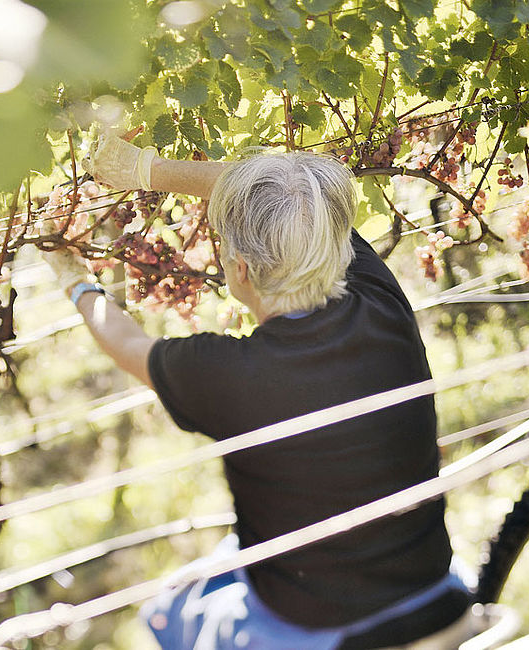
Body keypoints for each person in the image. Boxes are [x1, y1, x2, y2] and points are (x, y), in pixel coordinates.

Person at [44, 130, 479, 649]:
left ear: (241, 270)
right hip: (428, 586)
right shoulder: (380, 300)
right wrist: (146, 169)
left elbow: (124, 342)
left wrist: (73, 278)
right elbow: (276, 191)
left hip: (314, 625)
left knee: (168, 616)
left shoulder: (228, 374)